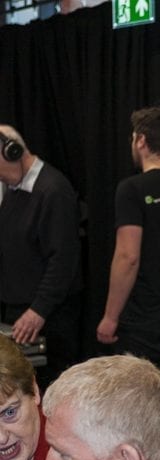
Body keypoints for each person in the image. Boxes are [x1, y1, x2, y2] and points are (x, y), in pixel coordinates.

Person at [96, 107, 160, 407]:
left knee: (143, 408)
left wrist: (110, 318)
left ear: (140, 141)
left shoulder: (132, 189)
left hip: (144, 324)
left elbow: (127, 256)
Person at [0, 125, 83, 392]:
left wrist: (38, 311)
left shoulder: (53, 190)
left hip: (47, 319)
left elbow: (64, 260)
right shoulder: (14, 190)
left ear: (12, 153)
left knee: (46, 393)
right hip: (20, 312)